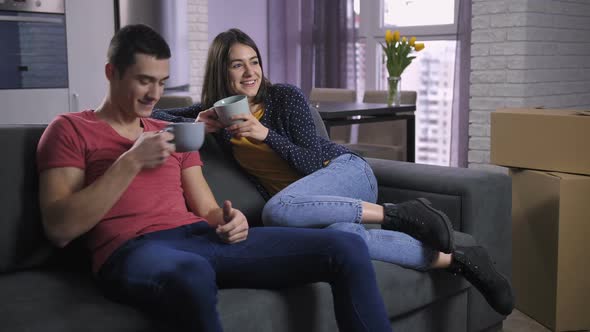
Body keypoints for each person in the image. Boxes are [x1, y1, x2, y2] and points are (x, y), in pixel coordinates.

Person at [36, 24, 394, 332]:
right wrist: (130, 162)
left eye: (161, 82)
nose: (155, 94)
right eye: (144, 81)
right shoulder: (69, 130)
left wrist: (228, 219)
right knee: (191, 273)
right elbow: (60, 228)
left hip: (200, 237)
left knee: (345, 248)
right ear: (111, 72)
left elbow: (205, 207)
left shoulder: (173, 131)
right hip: (133, 249)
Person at [152, 28, 515, 316]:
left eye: (254, 61)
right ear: (222, 71)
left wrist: (266, 135)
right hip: (315, 211)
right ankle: (461, 260)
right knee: (347, 240)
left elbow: (313, 162)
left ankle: (399, 214)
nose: (250, 72)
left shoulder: (285, 98)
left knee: (276, 211)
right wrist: (197, 120)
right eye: (237, 64)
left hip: (346, 173)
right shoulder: (218, 111)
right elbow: (154, 117)